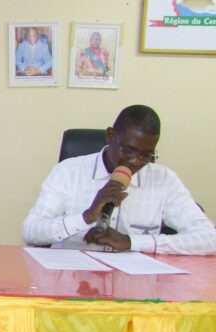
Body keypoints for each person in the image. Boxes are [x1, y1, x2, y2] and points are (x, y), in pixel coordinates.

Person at [23, 105, 216, 255]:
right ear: (110, 136)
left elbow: (209, 238)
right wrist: (86, 217)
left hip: (133, 287)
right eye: (129, 150)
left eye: (146, 155)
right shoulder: (68, 171)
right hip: (71, 281)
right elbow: (31, 232)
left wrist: (131, 242)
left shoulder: (164, 180)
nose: (135, 161)